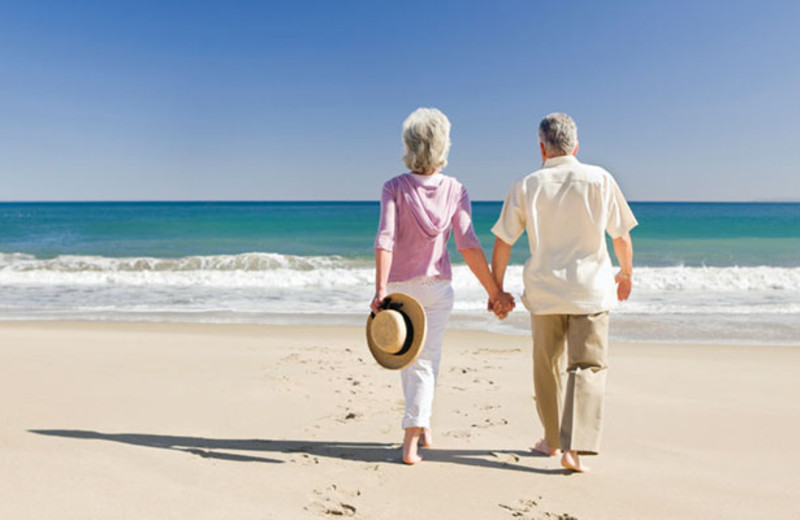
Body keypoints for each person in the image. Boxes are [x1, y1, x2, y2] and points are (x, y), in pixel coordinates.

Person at [490, 113, 637, 473]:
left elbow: (503, 241)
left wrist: (497, 289)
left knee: (547, 367)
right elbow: (620, 235)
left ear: (541, 147)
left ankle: (552, 440)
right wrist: (626, 272)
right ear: (576, 146)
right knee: (587, 366)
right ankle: (576, 447)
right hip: (590, 290)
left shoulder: (527, 185)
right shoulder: (600, 178)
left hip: (545, 292)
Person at [372, 107, 514, 465]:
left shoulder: (394, 187)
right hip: (437, 290)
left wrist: (379, 289)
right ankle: (422, 426)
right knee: (425, 358)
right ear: (443, 144)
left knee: (412, 361)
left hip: (402, 289)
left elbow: (385, 239)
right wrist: (493, 291)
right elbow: (467, 243)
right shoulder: (456, 189)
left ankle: (411, 436)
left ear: (409, 145)